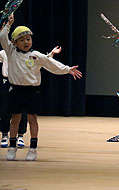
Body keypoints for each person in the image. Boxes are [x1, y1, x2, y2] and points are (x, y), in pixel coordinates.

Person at [0, 14, 82, 161]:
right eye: (22, 40)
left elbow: (51, 65)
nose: (26, 42)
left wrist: (67, 69)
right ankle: (12, 147)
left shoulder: (36, 55)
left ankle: (33, 148)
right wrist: (8, 23)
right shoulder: (11, 52)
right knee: (15, 119)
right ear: (14, 42)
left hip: (32, 91)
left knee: (32, 118)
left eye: (28, 39)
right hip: (16, 90)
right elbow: (2, 36)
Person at [0, 46, 62, 148]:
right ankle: (5, 134)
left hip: (23, 84)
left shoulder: (30, 54)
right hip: (8, 81)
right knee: (5, 109)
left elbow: (42, 60)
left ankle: (20, 135)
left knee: (23, 110)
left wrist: (51, 54)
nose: (25, 42)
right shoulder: (5, 52)